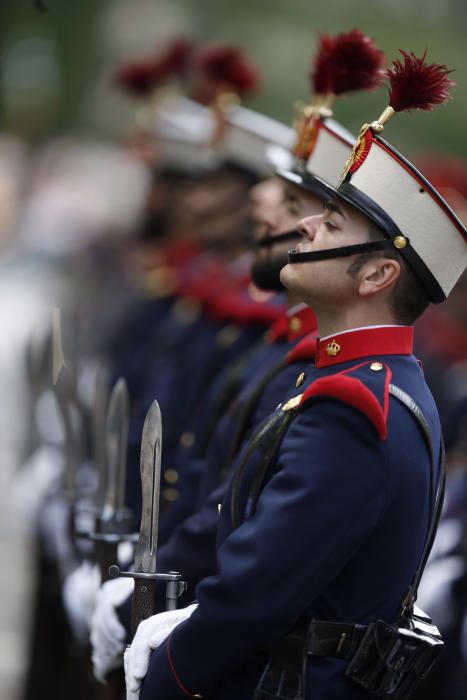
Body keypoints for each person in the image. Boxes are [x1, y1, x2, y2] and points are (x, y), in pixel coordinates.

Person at [123, 49, 467, 700]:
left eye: (330, 222)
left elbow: (261, 585)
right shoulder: (358, 383)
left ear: (375, 274)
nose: (302, 225)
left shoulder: (354, 406)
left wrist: (168, 670)